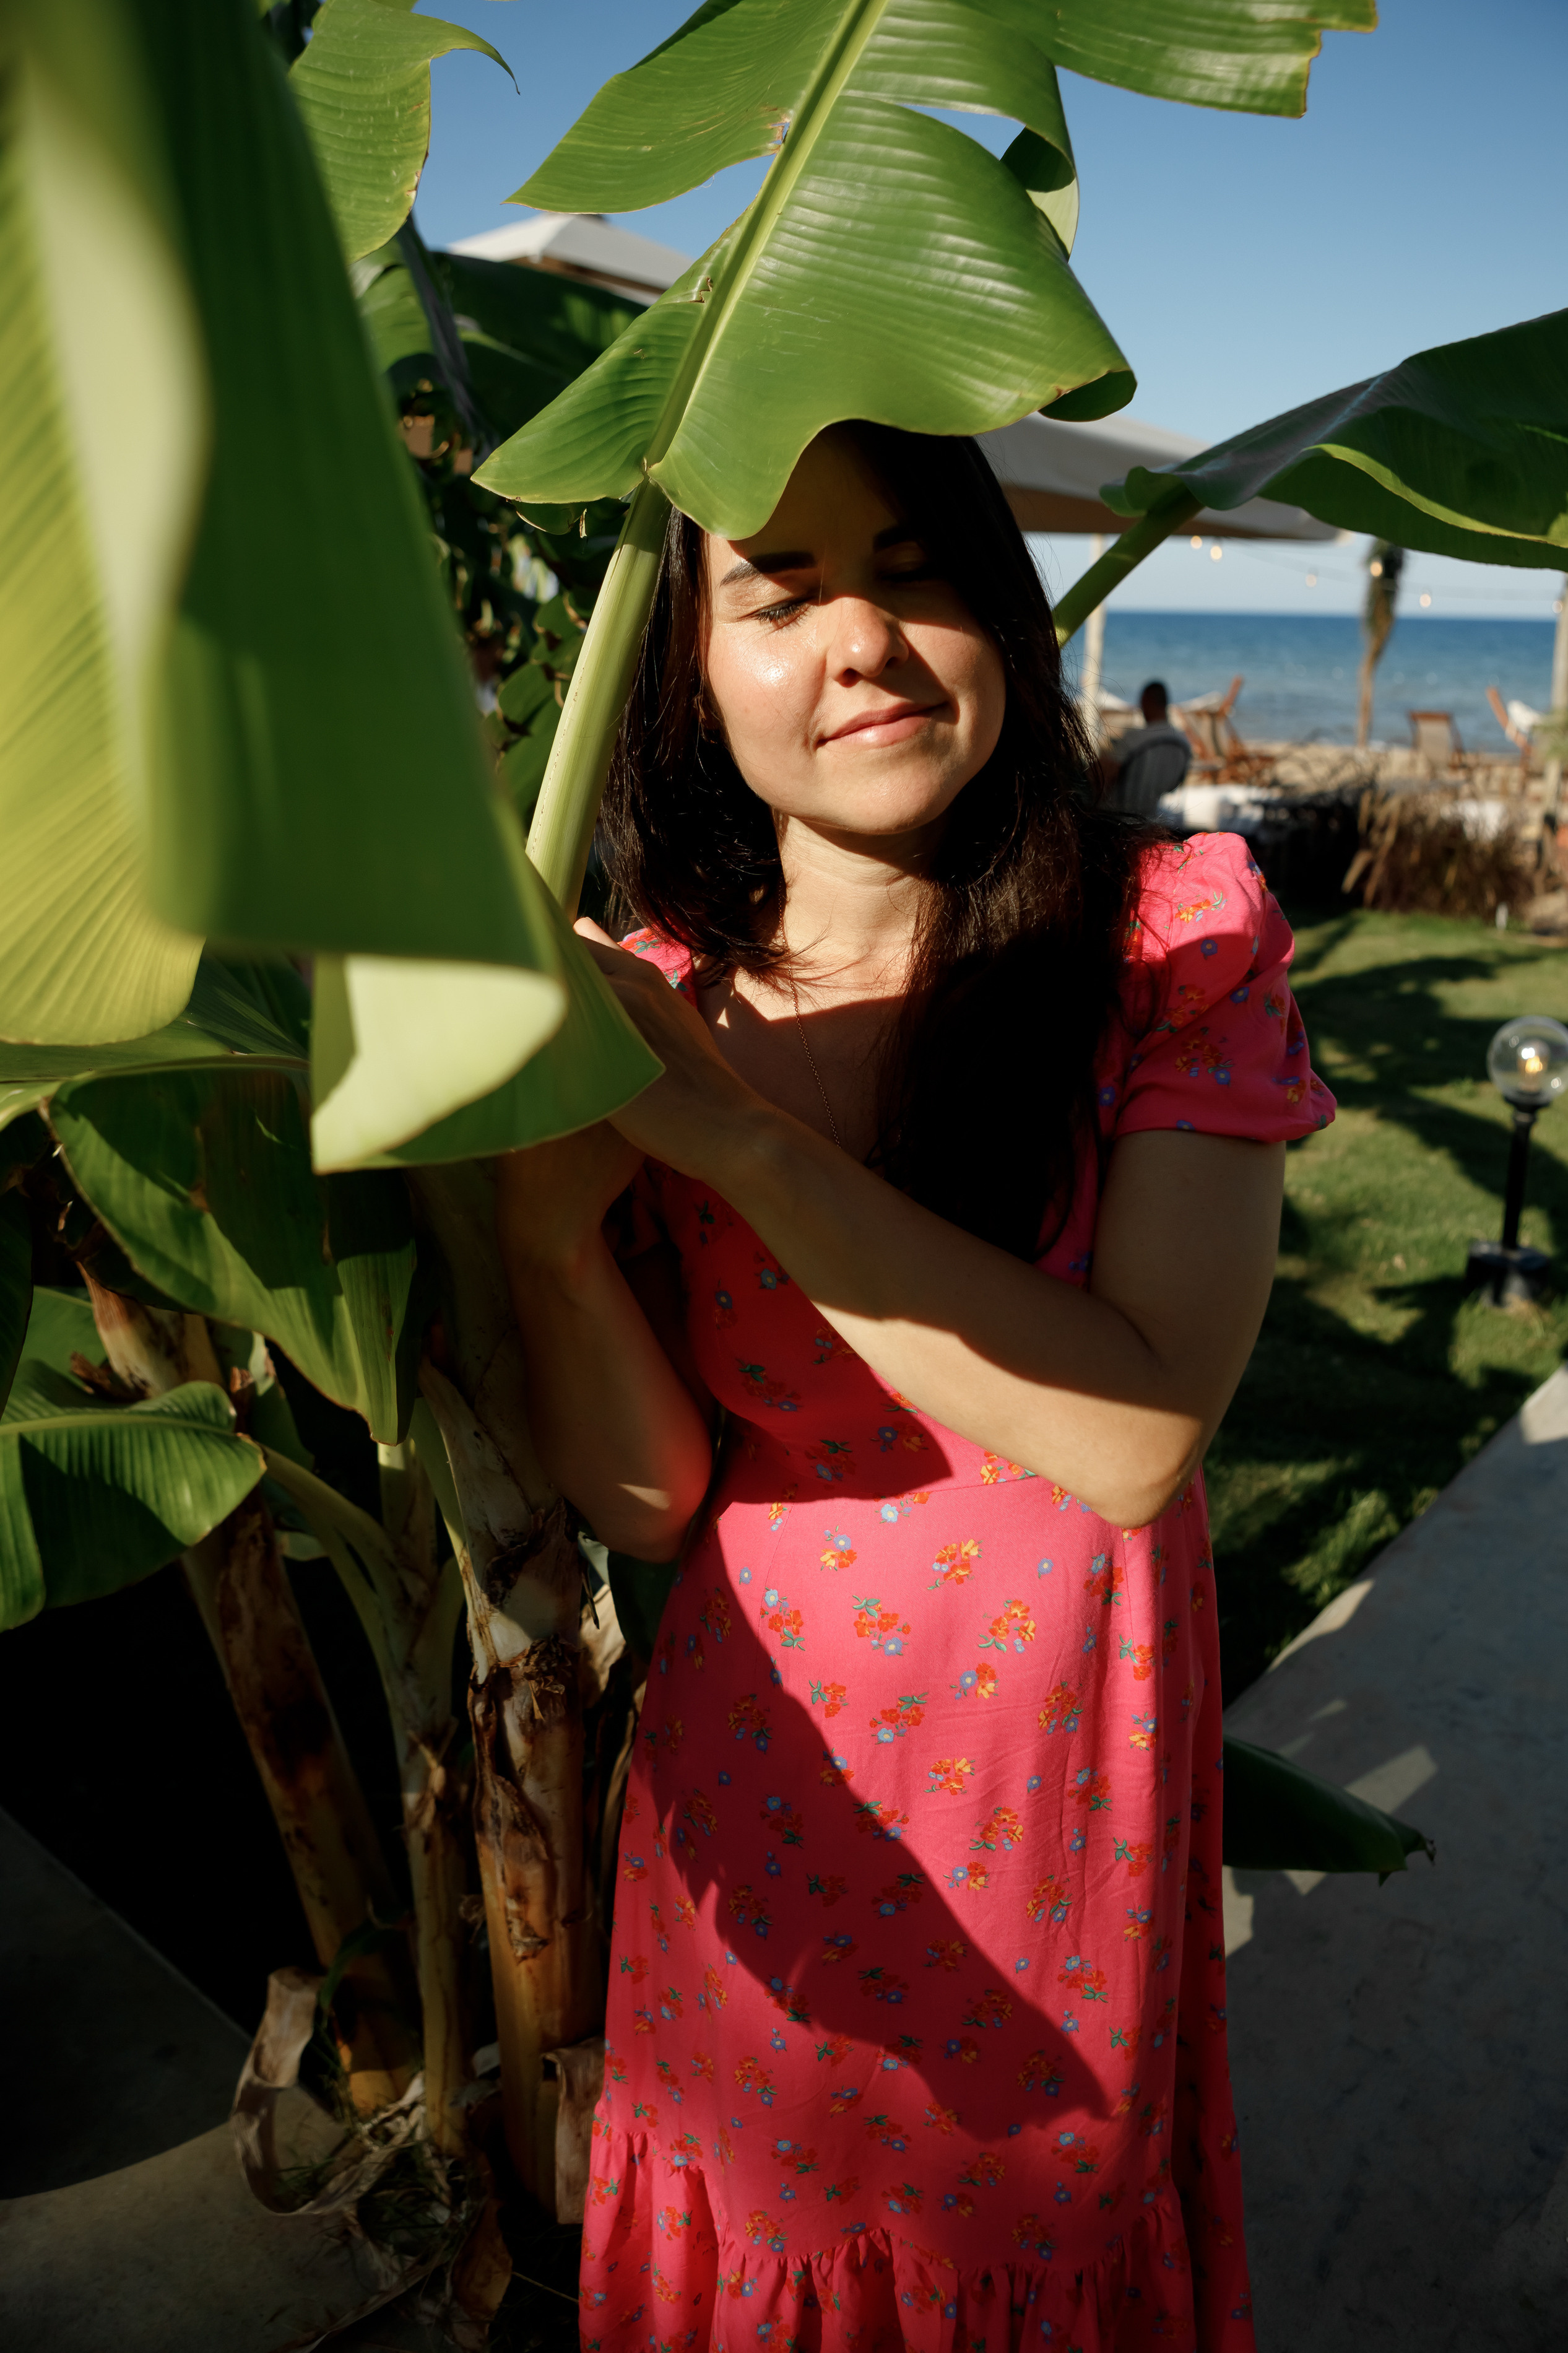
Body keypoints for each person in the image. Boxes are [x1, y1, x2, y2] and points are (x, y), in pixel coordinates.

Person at [496, 422, 1334, 2352]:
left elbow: (1129, 1435)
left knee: (1019, 2262)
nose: (860, 639)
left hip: (1060, 1804)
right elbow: (642, 1502)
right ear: (689, 672)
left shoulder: (1162, 943)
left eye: (916, 568)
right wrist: (550, 1240)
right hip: (765, 1774)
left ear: (1000, 618)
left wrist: (741, 1152)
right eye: (778, 593)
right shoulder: (649, 997)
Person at [1101, 680, 1192, 817]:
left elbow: (1106, 774)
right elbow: (1175, 784)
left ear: (1145, 701)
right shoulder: (1183, 741)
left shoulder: (1135, 738)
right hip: (1154, 815)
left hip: (1117, 815)